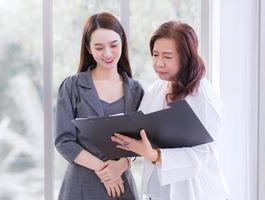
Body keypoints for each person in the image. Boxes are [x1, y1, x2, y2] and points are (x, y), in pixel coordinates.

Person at [111, 21, 229, 200]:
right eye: (155, 55)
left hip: (196, 192)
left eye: (167, 57)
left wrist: (155, 155)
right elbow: (139, 126)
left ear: (186, 57)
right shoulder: (157, 88)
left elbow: (205, 151)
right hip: (159, 192)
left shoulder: (203, 96)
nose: (158, 63)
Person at [55, 12, 143, 200]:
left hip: (122, 186)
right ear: (88, 48)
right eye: (99, 47)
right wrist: (105, 171)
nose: (108, 53)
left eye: (113, 45)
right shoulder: (72, 86)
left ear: (123, 43)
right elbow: (64, 141)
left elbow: (143, 140)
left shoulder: (136, 90)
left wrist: (121, 166)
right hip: (80, 186)